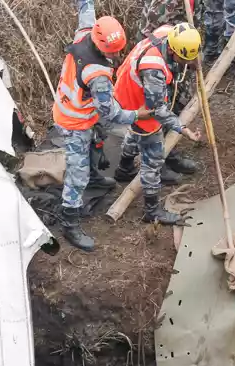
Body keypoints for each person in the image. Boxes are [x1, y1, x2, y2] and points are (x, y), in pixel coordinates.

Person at [52, 0, 152, 251]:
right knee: (77, 173)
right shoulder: (98, 75)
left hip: (75, 107)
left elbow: (86, 7)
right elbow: (111, 113)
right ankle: (70, 222)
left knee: (95, 144)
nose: (116, 57)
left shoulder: (86, 31)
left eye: (118, 50)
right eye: (112, 53)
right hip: (73, 120)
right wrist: (137, 115)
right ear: (101, 45)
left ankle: (95, 178)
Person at [113, 22, 203, 225]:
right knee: (152, 159)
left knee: (134, 132)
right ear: (172, 50)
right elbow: (157, 111)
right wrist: (184, 129)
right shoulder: (153, 69)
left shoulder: (168, 32)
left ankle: (124, 169)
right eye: (184, 59)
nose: (187, 63)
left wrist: (191, 61)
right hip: (137, 104)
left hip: (128, 91)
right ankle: (152, 212)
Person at [136, 0, 207, 179]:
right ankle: (157, 161)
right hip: (160, 61)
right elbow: (149, 40)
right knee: (156, 114)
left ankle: (168, 150)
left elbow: (195, 25)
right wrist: (184, 130)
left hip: (178, 53)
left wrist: (193, 55)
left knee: (178, 102)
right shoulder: (162, 6)